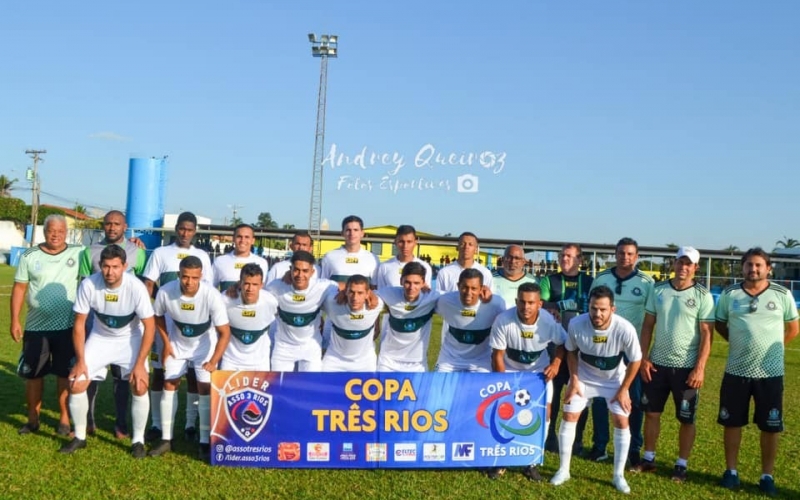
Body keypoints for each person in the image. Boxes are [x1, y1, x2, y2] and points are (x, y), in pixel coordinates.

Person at [715, 247, 799, 496]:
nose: (753, 269)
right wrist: (738, 342)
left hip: (770, 373)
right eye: (749, 265)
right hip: (736, 370)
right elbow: (720, 324)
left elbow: (793, 328)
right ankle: (731, 471)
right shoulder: (730, 294)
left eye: (758, 265)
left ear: (768, 268)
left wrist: (774, 349)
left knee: (770, 426)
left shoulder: (782, 294)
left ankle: (767, 476)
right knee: (732, 422)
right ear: (742, 268)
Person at [59, 245, 155, 458]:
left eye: (115, 267)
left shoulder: (136, 287)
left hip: (130, 338)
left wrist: (140, 364)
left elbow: (149, 326)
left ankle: (138, 441)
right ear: (100, 265)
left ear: (125, 266)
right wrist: (80, 361)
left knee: (140, 385)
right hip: (100, 338)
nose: (110, 272)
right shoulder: (88, 284)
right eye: (105, 266)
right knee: (76, 383)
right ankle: (80, 437)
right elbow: (79, 324)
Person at [551, 286, 642, 494]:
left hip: (614, 380)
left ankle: (618, 475)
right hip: (584, 378)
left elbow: (636, 360)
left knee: (621, 420)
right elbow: (571, 352)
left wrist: (624, 389)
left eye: (603, 309)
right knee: (569, 415)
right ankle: (563, 470)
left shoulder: (625, 328)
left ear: (612, 309)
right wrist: (574, 380)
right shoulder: (576, 324)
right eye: (593, 308)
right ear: (589, 307)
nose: (597, 314)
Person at [638, 246, 714, 481]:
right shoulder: (658, 290)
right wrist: (643, 358)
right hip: (657, 367)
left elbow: (707, 334)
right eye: (680, 262)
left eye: (688, 263)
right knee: (652, 413)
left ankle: (681, 465)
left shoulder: (702, 295)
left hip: (687, 371)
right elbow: (648, 326)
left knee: (686, 418)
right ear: (674, 263)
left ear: (695, 267)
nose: (683, 267)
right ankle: (648, 458)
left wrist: (699, 368)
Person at [148, 256, 231, 460]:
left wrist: (214, 360)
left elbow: (224, 332)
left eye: (194, 277)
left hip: (204, 348)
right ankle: (166, 439)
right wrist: (166, 343)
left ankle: (204, 441)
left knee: (204, 389)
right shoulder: (166, 291)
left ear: (201, 276)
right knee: (169, 384)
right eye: (185, 276)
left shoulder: (212, 295)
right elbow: (157, 316)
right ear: (179, 274)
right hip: (177, 345)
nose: (189, 282)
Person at [141, 211, 213, 443]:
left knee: (193, 375)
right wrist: (149, 311)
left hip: (192, 327)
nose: (185, 233)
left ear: (195, 232)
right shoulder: (161, 253)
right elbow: (149, 283)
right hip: (164, 324)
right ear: (176, 229)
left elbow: (208, 289)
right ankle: (156, 424)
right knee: (160, 373)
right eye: (182, 228)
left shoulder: (202, 256)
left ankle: (190, 424)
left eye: (189, 230)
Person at [78, 209, 148, 440]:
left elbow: (145, 284)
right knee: (90, 373)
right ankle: (88, 420)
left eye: (117, 224)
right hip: (97, 322)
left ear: (125, 227)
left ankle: (121, 422)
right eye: (108, 224)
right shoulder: (89, 251)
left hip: (127, 325)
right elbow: (83, 284)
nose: (112, 228)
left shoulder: (137, 251)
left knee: (122, 376)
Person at [11, 214, 83, 437]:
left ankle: (64, 419)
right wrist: (14, 320)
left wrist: (133, 242)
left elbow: (106, 250)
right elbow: (20, 288)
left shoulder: (78, 252)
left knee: (64, 374)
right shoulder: (29, 256)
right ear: (44, 232)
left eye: (60, 231)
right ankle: (33, 420)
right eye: (51, 230)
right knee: (34, 375)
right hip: (36, 327)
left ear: (66, 233)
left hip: (66, 328)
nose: (56, 235)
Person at [488, 282, 567, 481]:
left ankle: (531, 461)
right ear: (516, 301)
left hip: (538, 373)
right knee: (504, 411)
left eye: (531, 303)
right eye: (522, 302)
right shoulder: (503, 320)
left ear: (539, 304)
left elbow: (562, 344)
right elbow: (497, 355)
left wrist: (556, 364)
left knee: (544, 413)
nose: (526, 307)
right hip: (510, 371)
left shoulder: (548, 321)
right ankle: (501, 459)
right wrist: (504, 384)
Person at [590, 237, 654, 469]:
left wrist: (643, 355)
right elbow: (592, 310)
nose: (625, 257)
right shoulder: (602, 278)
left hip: (631, 352)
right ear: (615, 254)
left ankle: (633, 449)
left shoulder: (647, 282)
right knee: (599, 398)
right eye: (621, 253)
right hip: (603, 349)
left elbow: (650, 321)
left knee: (633, 399)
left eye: (629, 254)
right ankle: (600, 446)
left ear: (636, 257)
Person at [540, 244, 601, 458]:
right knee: (554, 392)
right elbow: (542, 303)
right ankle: (549, 437)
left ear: (580, 260)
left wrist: (561, 305)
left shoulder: (590, 282)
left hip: (583, 346)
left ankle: (577, 439)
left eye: (569, 256)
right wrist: (558, 305)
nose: (564, 259)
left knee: (580, 392)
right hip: (555, 345)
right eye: (562, 255)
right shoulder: (549, 280)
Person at [266, 251, 339, 372]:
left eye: (305, 271)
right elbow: (257, 296)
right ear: (290, 269)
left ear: (312, 272)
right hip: (284, 348)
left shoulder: (323, 287)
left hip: (311, 347)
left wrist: (368, 293)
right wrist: (237, 287)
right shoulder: (276, 286)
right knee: (281, 383)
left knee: (311, 384)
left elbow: (347, 285)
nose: (300, 275)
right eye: (296, 270)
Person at [320, 215, 380, 348]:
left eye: (356, 230)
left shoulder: (372, 259)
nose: (352, 233)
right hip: (335, 316)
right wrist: (319, 318)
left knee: (361, 355)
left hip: (362, 318)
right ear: (342, 233)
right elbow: (322, 289)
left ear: (362, 233)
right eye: (348, 230)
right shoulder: (330, 257)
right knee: (329, 353)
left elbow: (374, 292)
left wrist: (376, 321)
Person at [434, 269, 505, 372]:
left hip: (480, 362)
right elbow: (424, 299)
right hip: (449, 360)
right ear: (458, 286)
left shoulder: (496, 303)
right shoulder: (445, 301)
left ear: (481, 288)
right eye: (465, 287)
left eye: (473, 288)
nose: (468, 292)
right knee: (438, 382)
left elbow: (511, 317)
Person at [375, 262, 440, 372]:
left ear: (423, 283)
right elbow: (366, 293)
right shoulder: (389, 293)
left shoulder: (432, 297)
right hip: (388, 362)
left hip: (417, 363)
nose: (411, 287)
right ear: (401, 281)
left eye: (416, 283)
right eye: (407, 282)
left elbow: (456, 298)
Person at [221, 263, 279, 371]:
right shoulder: (226, 299)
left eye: (255, 284)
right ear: (240, 283)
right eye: (246, 283)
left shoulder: (270, 301)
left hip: (260, 363)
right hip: (231, 361)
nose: (250, 288)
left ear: (261, 285)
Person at [321, 275, 384, 372]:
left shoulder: (377, 303)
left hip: (365, 362)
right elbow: (317, 286)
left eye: (360, 293)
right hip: (334, 359)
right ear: (346, 291)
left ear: (367, 294)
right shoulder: (332, 302)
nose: (355, 298)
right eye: (351, 292)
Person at [212, 224, 269, 292]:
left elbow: (264, 291)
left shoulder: (262, 263)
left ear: (253, 240)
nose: (242, 240)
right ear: (233, 239)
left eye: (247, 237)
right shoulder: (220, 261)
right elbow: (210, 288)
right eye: (239, 236)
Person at [375, 225, 432, 289]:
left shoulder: (425, 267)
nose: (405, 246)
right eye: (401, 242)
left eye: (409, 242)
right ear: (395, 242)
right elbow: (381, 292)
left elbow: (426, 293)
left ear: (415, 243)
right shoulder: (384, 267)